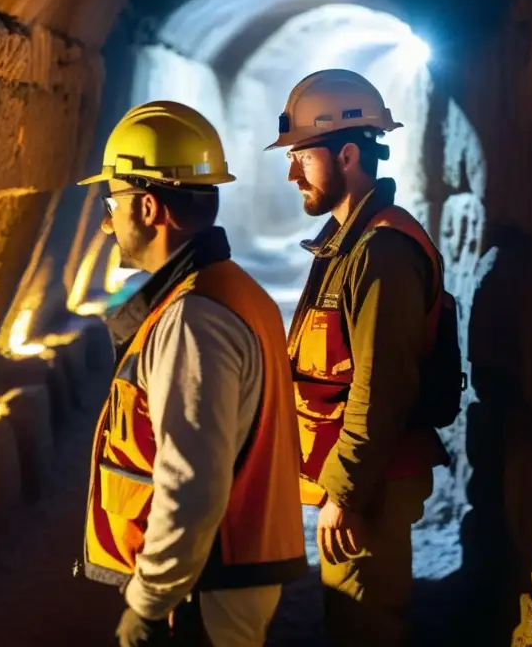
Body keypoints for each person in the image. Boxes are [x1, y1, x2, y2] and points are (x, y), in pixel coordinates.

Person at [78, 101, 308, 646]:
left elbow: (192, 483)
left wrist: (149, 600)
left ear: (151, 208)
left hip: (206, 583)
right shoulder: (230, 290)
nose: (107, 224)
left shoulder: (192, 318)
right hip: (223, 570)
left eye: (113, 204)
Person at [265, 69, 451, 645]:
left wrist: (345, 493)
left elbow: (382, 383)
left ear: (346, 154)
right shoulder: (348, 243)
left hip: (373, 486)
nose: (292, 172)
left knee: (363, 625)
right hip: (363, 479)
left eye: (302, 156)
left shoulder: (382, 253)